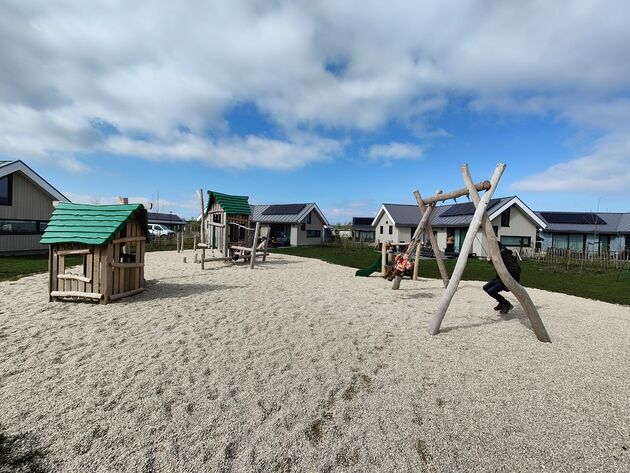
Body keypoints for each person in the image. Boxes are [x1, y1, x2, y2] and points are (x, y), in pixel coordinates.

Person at [483, 243, 521, 314]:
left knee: (491, 291)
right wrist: (491, 262)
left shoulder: (508, 256)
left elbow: (517, 269)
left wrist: (503, 269)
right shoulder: (499, 256)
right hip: (501, 279)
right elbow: (498, 265)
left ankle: (506, 304)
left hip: (509, 281)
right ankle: (501, 302)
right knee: (485, 287)